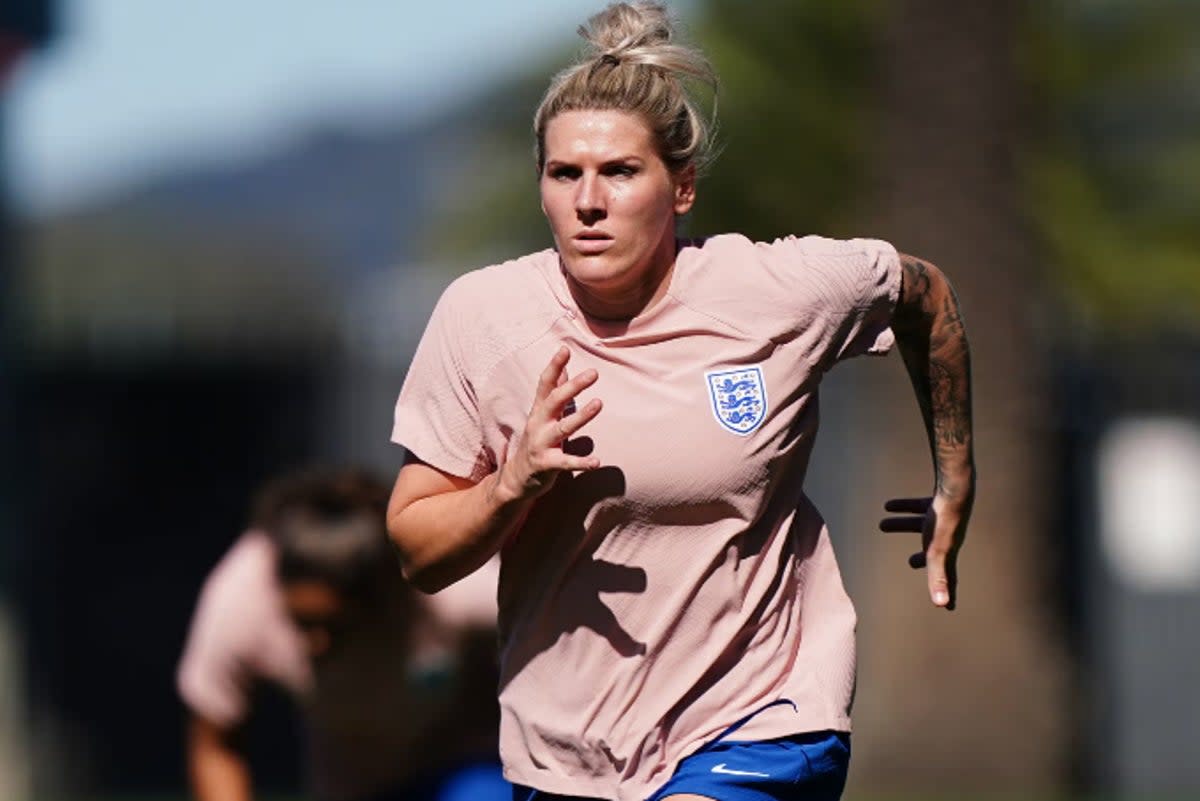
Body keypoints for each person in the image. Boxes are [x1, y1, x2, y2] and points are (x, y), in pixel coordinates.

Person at [387, 3, 975, 800]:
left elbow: (923, 292)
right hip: (565, 750)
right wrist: (509, 484)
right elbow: (418, 552)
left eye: (620, 172)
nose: (589, 201)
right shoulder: (482, 318)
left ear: (683, 187)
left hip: (761, 716)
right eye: (565, 174)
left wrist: (955, 474)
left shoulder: (776, 290)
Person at [177, 467, 509, 801]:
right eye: (303, 623)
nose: (316, 643)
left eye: (336, 627)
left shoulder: (452, 586)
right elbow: (215, 744)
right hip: (352, 786)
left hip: (466, 771)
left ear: (387, 595)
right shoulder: (241, 599)